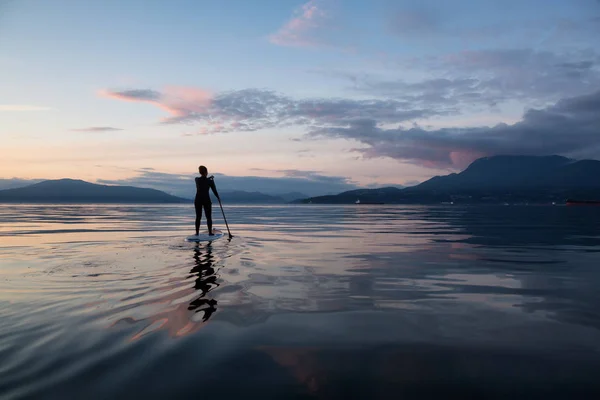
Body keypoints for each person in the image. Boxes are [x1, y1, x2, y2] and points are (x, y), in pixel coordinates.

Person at [194, 165, 219, 236]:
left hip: (198, 200)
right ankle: (210, 233)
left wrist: (209, 179)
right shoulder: (210, 182)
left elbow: (203, 180)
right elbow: (214, 191)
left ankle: (197, 233)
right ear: (206, 172)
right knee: (208, 217)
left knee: (198, 217)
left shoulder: (196, 180)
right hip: (206, 200)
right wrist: (218, 198)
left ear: (200, 172)